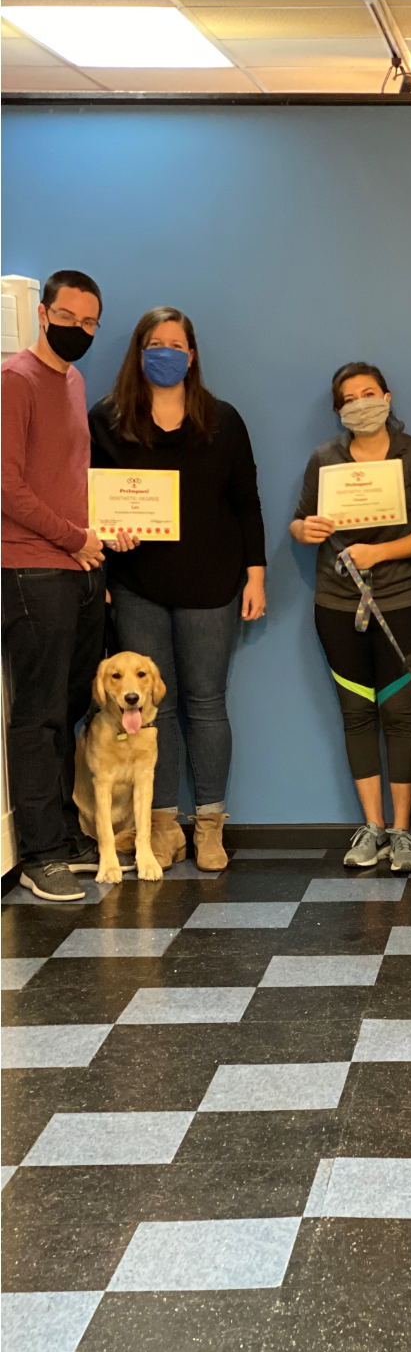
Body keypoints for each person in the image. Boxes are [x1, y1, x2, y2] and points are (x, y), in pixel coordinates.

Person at [89, 306, 266, 873]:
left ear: (191, 355)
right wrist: (102, 550)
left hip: (213, 584)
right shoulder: (107, 419)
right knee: (150, 713)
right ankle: (161, 827)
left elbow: (246, 501)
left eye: (177, 343)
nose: (166, 352)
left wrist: (256, 574)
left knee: (206, 705)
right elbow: (87, 496)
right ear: (139, 352)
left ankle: (209, 825)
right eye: (155, 343)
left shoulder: (223, 419)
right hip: (137, 585)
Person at [291, 362, 411, 872]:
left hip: (399, 603)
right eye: (349, 398)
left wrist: (378, 554)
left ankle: (404, 831)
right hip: (336, 606)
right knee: (356, 715)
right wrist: (303, 530)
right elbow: (300, 520)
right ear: (339, 411)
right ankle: (372, 827)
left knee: (400, 715)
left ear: (387, 396)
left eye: (369, 393)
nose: (360, 403)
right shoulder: (324, 459)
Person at [1, 269, 121, 900]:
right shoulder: (14, 382)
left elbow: (68, 479)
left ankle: (61, 833)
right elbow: (7, 486)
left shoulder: (72, 381)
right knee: (40, 712)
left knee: (73, 704)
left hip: (79, 567)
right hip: (28, 567)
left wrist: (99, 539)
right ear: (43, 313)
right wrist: (73, 540)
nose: (80, 330)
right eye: (70, 318)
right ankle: (39, 853)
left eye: (91, 322)